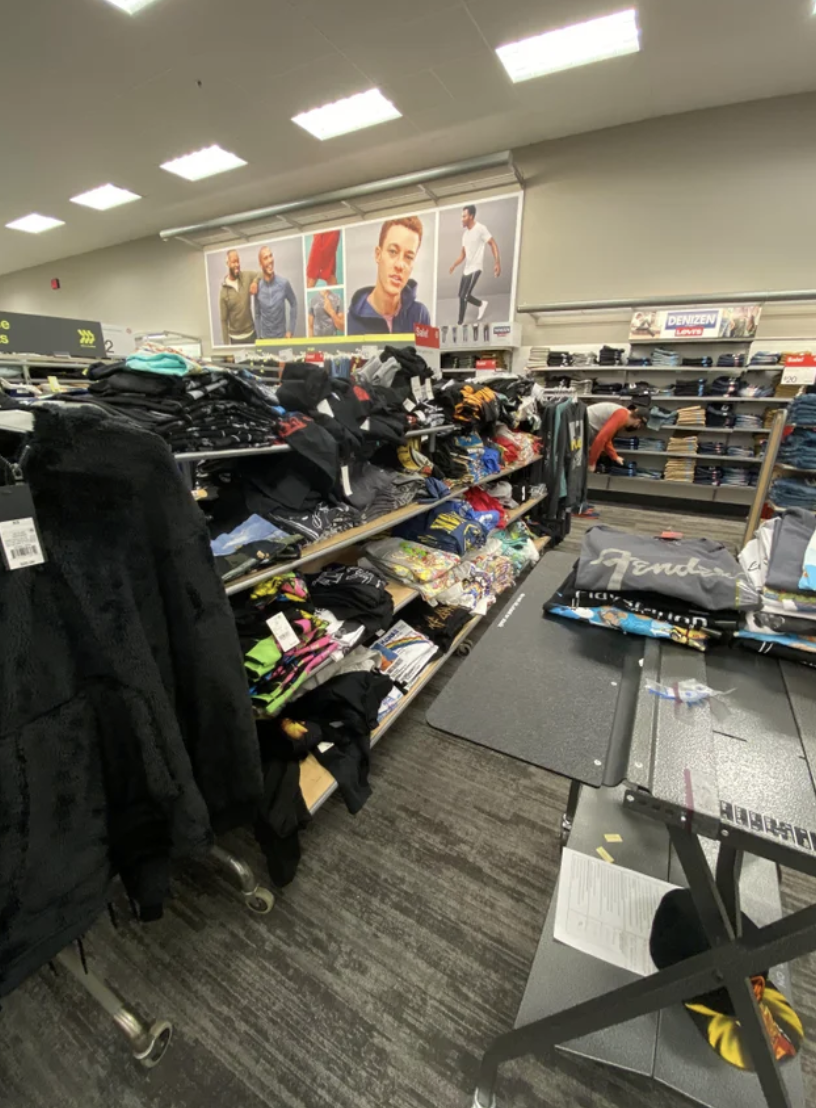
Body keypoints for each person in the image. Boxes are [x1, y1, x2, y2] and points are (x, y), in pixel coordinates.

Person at [347, 216, 431, 335]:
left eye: (409, 257)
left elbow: (431, 354)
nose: (400, 265)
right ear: (378, 254)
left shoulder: (421, 314)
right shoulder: (351, 320)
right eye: (393, 251)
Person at [449, 205, 501, 325]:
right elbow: (463, 255)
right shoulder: (465, 235)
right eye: (461, 216)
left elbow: (492, 243)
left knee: (465, 296)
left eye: (464, 216)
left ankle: (460, 323)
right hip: (467, 268)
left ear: (471, 216)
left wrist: (497, 262)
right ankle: (481, 304)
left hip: (476, 267)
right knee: (461, 295)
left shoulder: (481, 228)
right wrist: (454, 265)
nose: (462, 219)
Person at [253, 246, 298, 339]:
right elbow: (257, 314)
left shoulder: (284, 283)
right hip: (265, 340)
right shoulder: (257, 288)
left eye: (270, 256)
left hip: (281, 338)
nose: (270, 260)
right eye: (265, 258)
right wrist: (259, 337)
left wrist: (291, 330)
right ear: (260, 264)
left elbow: (294, 303)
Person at [588, 403, 647, 471]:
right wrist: (592, 462)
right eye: (639, 426)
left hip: (587, 423)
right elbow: (600, 439)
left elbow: (606, 438)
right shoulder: (622, 416)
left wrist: (615, 457)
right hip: (586, 423)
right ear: (638, 422)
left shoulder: (624, 414)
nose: (637, 427)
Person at [218, 249, 258, 345]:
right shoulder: (223, 292)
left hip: (251, 334)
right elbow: (223, 321)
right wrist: (226, 347)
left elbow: (260, 274)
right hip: (236, 339)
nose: (237, 264)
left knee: (255, 360)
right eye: (233, 262)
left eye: (238, 261)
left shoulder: (246, 276)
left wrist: (255, 282)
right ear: (227, 263)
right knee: (240, 361)